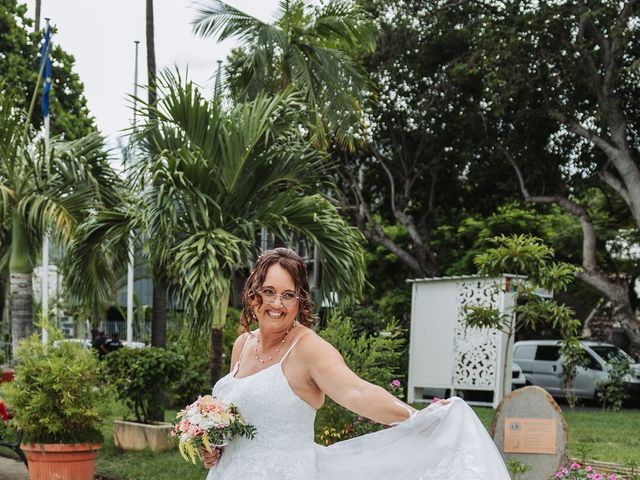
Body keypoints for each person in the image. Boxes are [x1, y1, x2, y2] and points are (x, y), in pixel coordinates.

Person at [201, 248, 509, 479]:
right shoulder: (242, 344)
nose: (277, 304)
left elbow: (357, 393)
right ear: (254, 294)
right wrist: (212, 444)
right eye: (269, 292)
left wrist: (416, 417)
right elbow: (238, 416)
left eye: (288, 295)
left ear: (300, 301)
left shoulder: (307, 348)